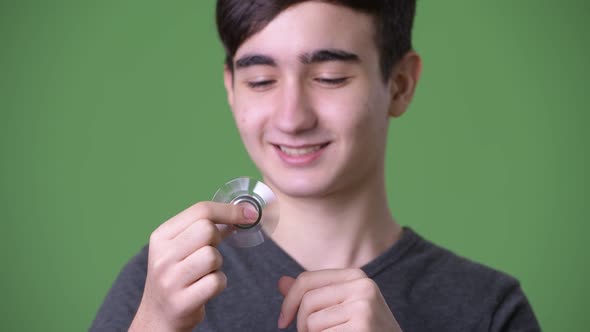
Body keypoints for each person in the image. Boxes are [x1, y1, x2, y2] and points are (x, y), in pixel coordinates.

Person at [91, 1, 541, 331]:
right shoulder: (158, 288)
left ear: (400, 85)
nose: (292, 117)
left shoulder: (489, 309)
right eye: (260, 81)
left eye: (330, 79)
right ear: (231, 88)